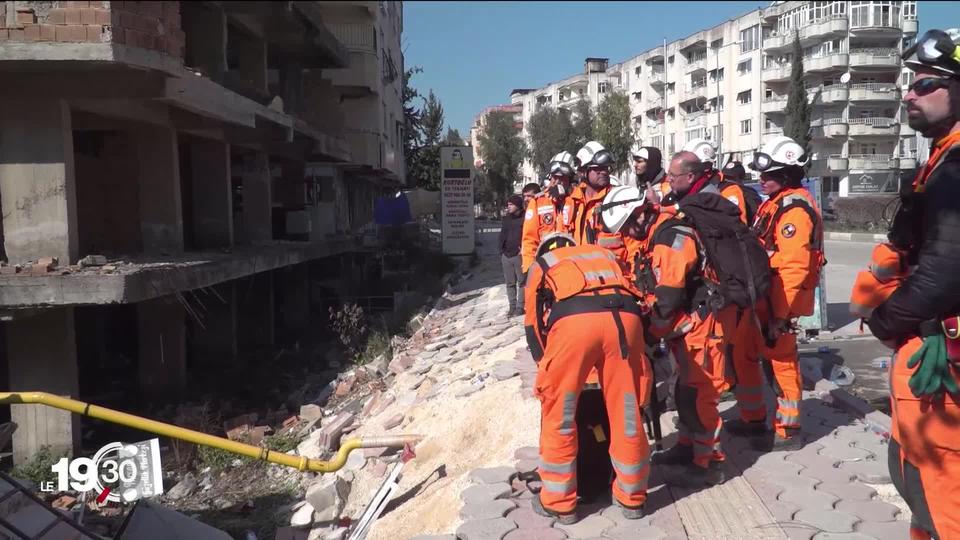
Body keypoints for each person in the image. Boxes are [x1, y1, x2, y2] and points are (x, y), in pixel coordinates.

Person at [862, 28, 960, 540]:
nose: (908, 94)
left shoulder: (957, 168)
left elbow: (947, 267)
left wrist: (886, 320)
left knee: (941, 492)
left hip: (942, 360)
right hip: (931, 350)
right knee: (919, 483)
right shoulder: (943, 159)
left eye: (924, 84)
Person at [601, 184, 729, 487]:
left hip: (701, 330)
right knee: (685, 392)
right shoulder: (653, 237)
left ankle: (710, 462)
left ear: (643, 212)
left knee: (701, 395)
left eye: (629, 225)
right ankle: (688, 448)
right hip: (683, 331)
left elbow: (667, 299)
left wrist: (643, 336)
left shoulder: (673, 238)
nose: (628, 234)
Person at [523, 232, 651, 524]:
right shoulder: (599, 253)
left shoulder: (541, 264)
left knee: (560, 412)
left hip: (575, 324)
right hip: (626, 321)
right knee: (627, 411)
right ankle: (632, 499)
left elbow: (533, 326)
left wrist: (549, 364)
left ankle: (559, 502)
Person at [727, 135, 824, 452]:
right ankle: (753, 419)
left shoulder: (794, 210)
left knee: (782, 362)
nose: (761, 179)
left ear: (787, 174)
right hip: (762, 301)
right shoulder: (774, 203)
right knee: (742, 353)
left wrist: (781, 318)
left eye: (769, 175)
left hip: (778, 304)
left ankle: (788, 430)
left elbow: (793, 268)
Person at [564, 141, 629, 263]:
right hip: (578, 273)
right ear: (583, 171)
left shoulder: (617, 200)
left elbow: (632, 243)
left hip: (611, 276)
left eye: (605, 168)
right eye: (597, 169)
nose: (604, 172)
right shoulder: (572, 202)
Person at [521, 152, 576, 273]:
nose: (557, 181)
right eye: (555, 177)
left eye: (562, 178)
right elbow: (529, 240)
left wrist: (566, 198)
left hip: (572, 268)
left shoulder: (576, 201)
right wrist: (529, 270)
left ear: (570, 178)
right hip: (544, 268)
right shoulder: (537, 202)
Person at [499, 193, 526, 317]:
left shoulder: (526, 218)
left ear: (518, 205)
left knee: (522, 282)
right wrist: (501, 250)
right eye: (508, 204)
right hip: (506, 255)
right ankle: (512, 306)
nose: (508, 207)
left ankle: (520, 307)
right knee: (510, 282)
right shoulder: (506, 218)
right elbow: (502, 235)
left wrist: (524, 249)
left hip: (519, 254)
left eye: (511, 204)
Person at [719, 160, 762, 225]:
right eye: (726, 177)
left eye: (729, 178)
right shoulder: (749, 192)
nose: (726, 180)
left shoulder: (717, 190)